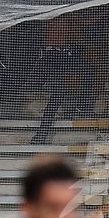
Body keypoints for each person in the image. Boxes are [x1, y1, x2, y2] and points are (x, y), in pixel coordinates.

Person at [30, 14, 89, 146]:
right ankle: (42, 134)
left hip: (68, 55)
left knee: (82, 78)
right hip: (54, 57)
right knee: (57, 95)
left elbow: (80, 33)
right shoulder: (52, 19)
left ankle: (80, 107)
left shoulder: (72, 21)